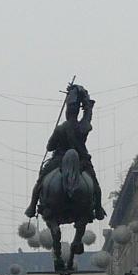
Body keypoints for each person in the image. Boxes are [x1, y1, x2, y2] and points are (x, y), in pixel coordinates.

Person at [24, 83, 106, 221]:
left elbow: (50, 147)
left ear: (67, 112)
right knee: (95, 186)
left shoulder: (60, 128)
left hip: (59, 160)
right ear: (77, 112)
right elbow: (88, 114)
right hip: (81, 160)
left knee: (40, 182)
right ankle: (98, 209)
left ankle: (32, 207)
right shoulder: (83, 126)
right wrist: (85, 99)